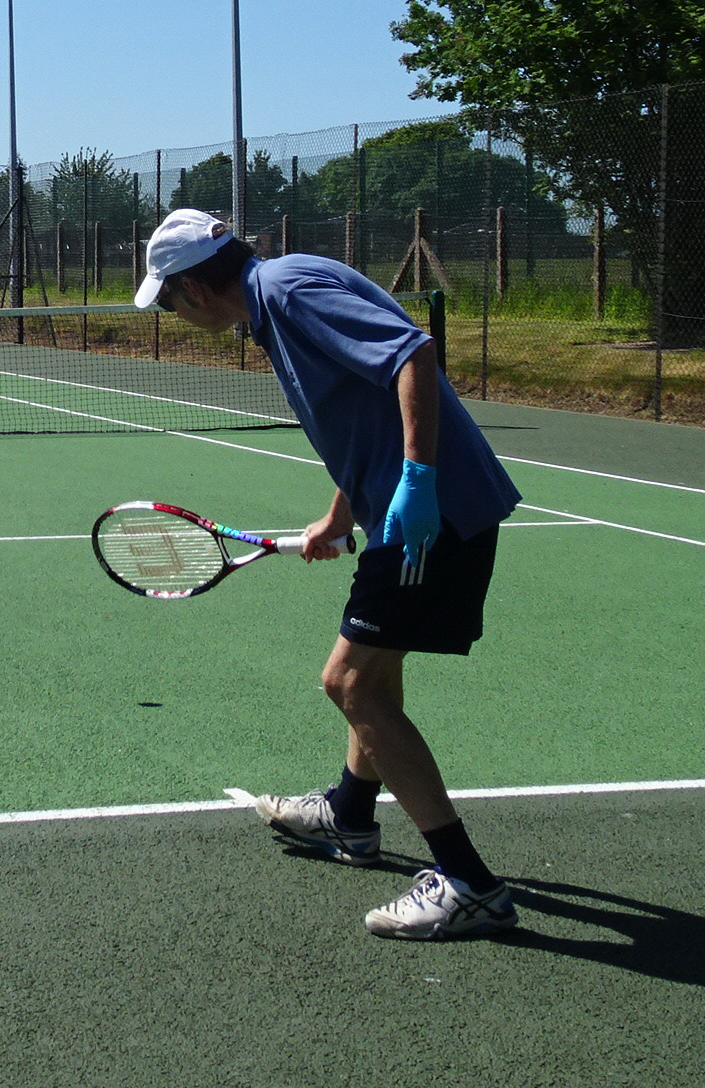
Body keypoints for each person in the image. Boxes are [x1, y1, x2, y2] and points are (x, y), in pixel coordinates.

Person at [136, 208, 523, 941]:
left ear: (192, 288)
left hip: (436, 513)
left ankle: (470, 882)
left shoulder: (287, 293)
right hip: (409, 512)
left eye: (166, 300)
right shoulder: (274, 299)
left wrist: (417, 478)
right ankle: (350, 816)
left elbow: (412, 355)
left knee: (349, 682)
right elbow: (363, 400)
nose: (172, 315)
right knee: (374, 672)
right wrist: (340, 512)